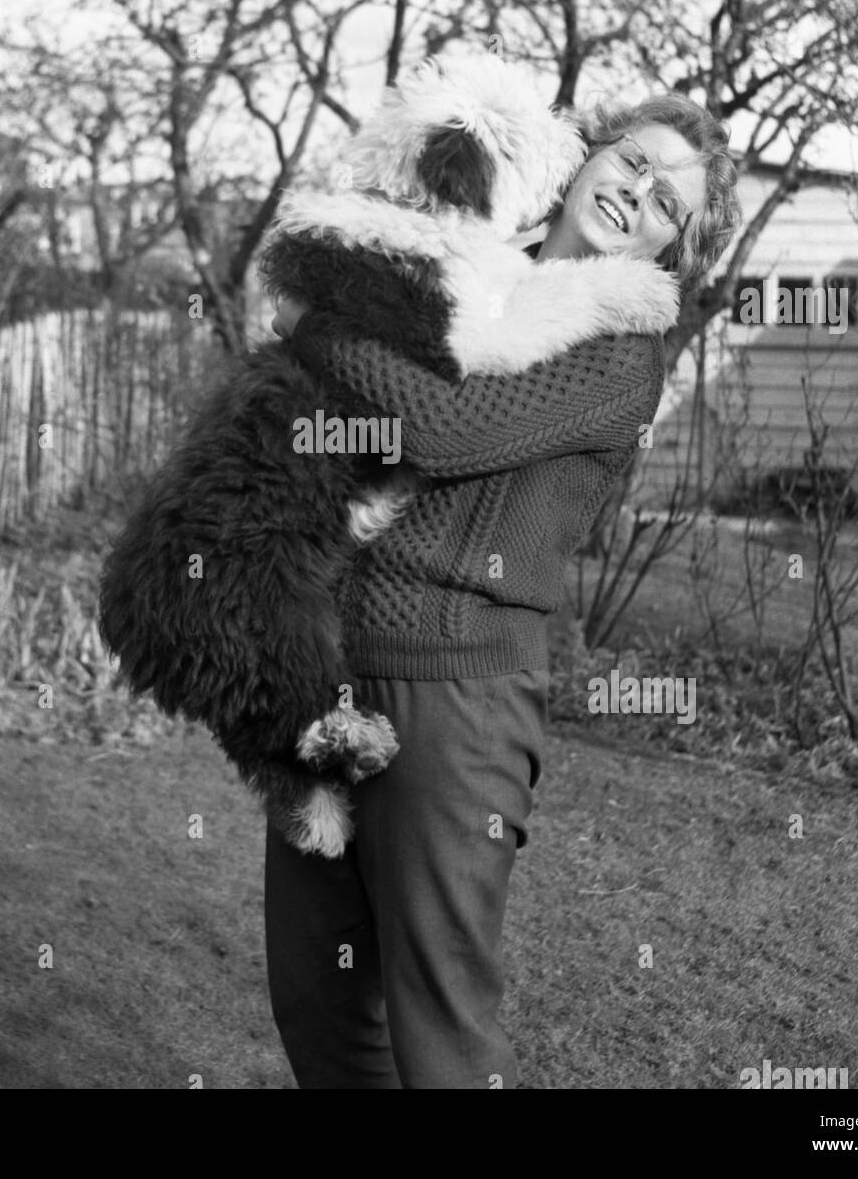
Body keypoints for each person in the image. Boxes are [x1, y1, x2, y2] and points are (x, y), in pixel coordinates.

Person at [266, 92, 741, 1089]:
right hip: (330, 681)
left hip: (457, 706)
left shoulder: (620, 352)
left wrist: (319, 330)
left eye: (667, 201)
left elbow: (441, 426)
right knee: (319, 1005)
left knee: (438, 1024)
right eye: (632, 159)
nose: (634, 191)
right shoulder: (477, 271)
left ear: (673, 250)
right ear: (585, 156)